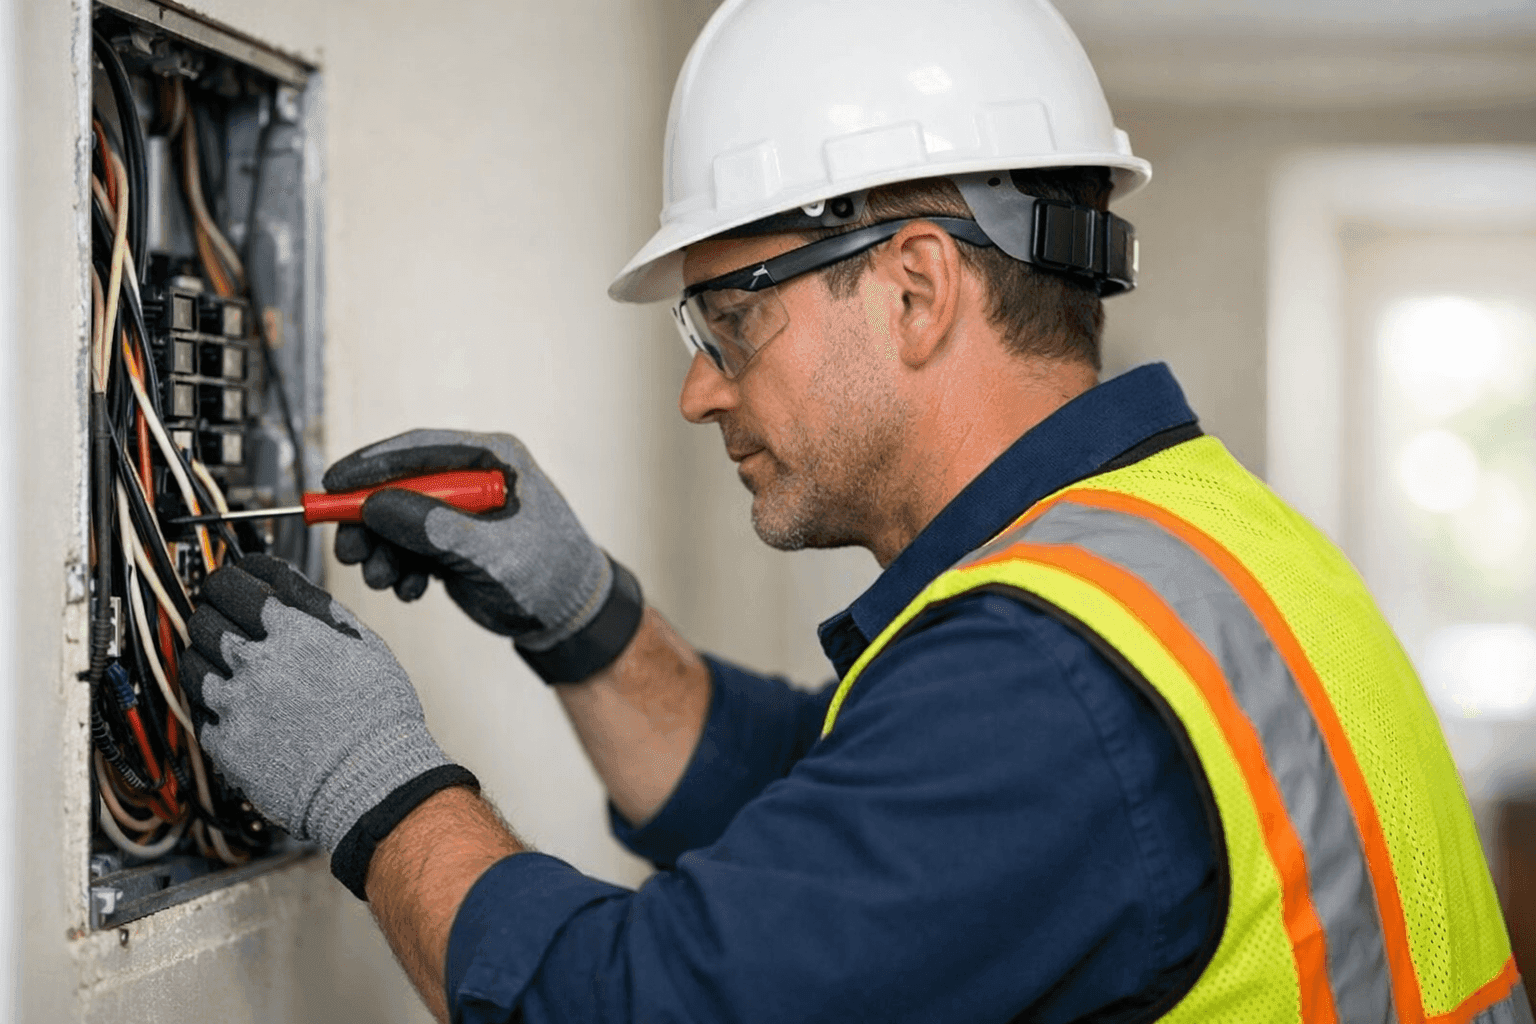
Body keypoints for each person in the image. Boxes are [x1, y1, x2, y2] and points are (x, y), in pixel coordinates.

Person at [178, 1, 1529, 1022]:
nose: (701, 392)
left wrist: (376, 790)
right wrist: (584, 618)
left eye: (731, 319)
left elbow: (646, 1002)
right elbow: (848, 832)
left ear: (915, 290)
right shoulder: (1192, 544)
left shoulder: (1049, 685)